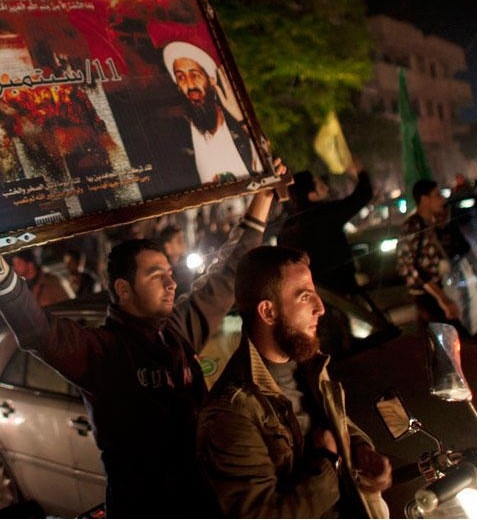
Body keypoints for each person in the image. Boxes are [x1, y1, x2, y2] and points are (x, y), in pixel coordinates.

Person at [0, 160, 285, 518]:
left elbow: (226, 274)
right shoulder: (103, 352)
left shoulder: (176, 330)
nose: (171, 283)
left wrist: (263, 195)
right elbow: (39, 330)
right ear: (123, 290)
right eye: (155, 275)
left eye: (169, 273)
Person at [196, 245, 392, 518]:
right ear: (268, 312)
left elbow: (333, 425)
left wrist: (360, 450)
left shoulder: (306, 364)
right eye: (305, 297)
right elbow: (261, 515)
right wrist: (327, 464)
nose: (320, 308)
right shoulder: (231, 412)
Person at [162, 40, 259, 184]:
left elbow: (265, 168)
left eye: (195, 75)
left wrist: (242, 121)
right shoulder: (178, 137)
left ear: (212, 81)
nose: (189, 85)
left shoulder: (237, 123)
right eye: (181, 77)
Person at [277, 159, 373, 295]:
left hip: (314, 293)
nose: (327, 188)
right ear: (312, 195)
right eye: (321, 186)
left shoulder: (287, 228)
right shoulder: (324, 215)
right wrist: (360, 172)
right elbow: (363, 195)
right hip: (341, 291)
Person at [396, 179, 472, 336]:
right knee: (454, 338)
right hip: (425, 296)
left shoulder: (432, 225)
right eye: (437, 195)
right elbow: (411, 266)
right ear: (424, 199)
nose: (442, 200)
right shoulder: (414, 226)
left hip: (436, 292)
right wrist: (442, 298)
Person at [9, 250, 75, 307]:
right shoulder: (21, 288)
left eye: (19, 263)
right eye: (14, 264)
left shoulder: (53, 282)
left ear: (30, 264)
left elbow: (69, 305)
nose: (15, 268)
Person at [158, 224, 195, 298]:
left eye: (184, 239)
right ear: (168, 247)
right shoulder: (164, 272)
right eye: (179, 241)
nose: (183, 243)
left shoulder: (184, 264)